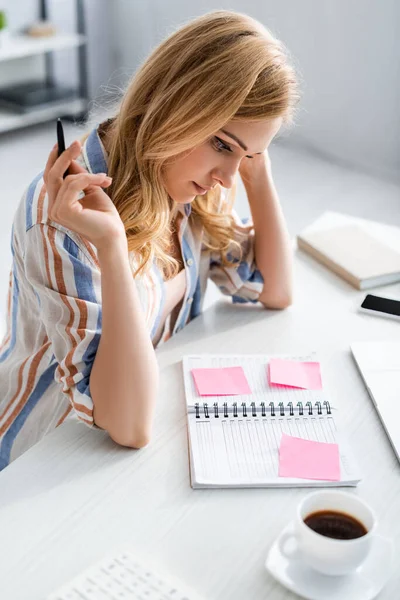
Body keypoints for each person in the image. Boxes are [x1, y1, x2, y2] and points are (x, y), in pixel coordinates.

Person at [0, 10, 299, 469]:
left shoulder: (193, 181)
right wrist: (114, 250)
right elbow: (129, 426)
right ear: (176, 104)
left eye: (248, 154)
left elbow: (273, 290)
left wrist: (257, 170)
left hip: (135, 446)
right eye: (222, 144)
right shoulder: (63, 216)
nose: (226, 178)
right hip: (46, 456)